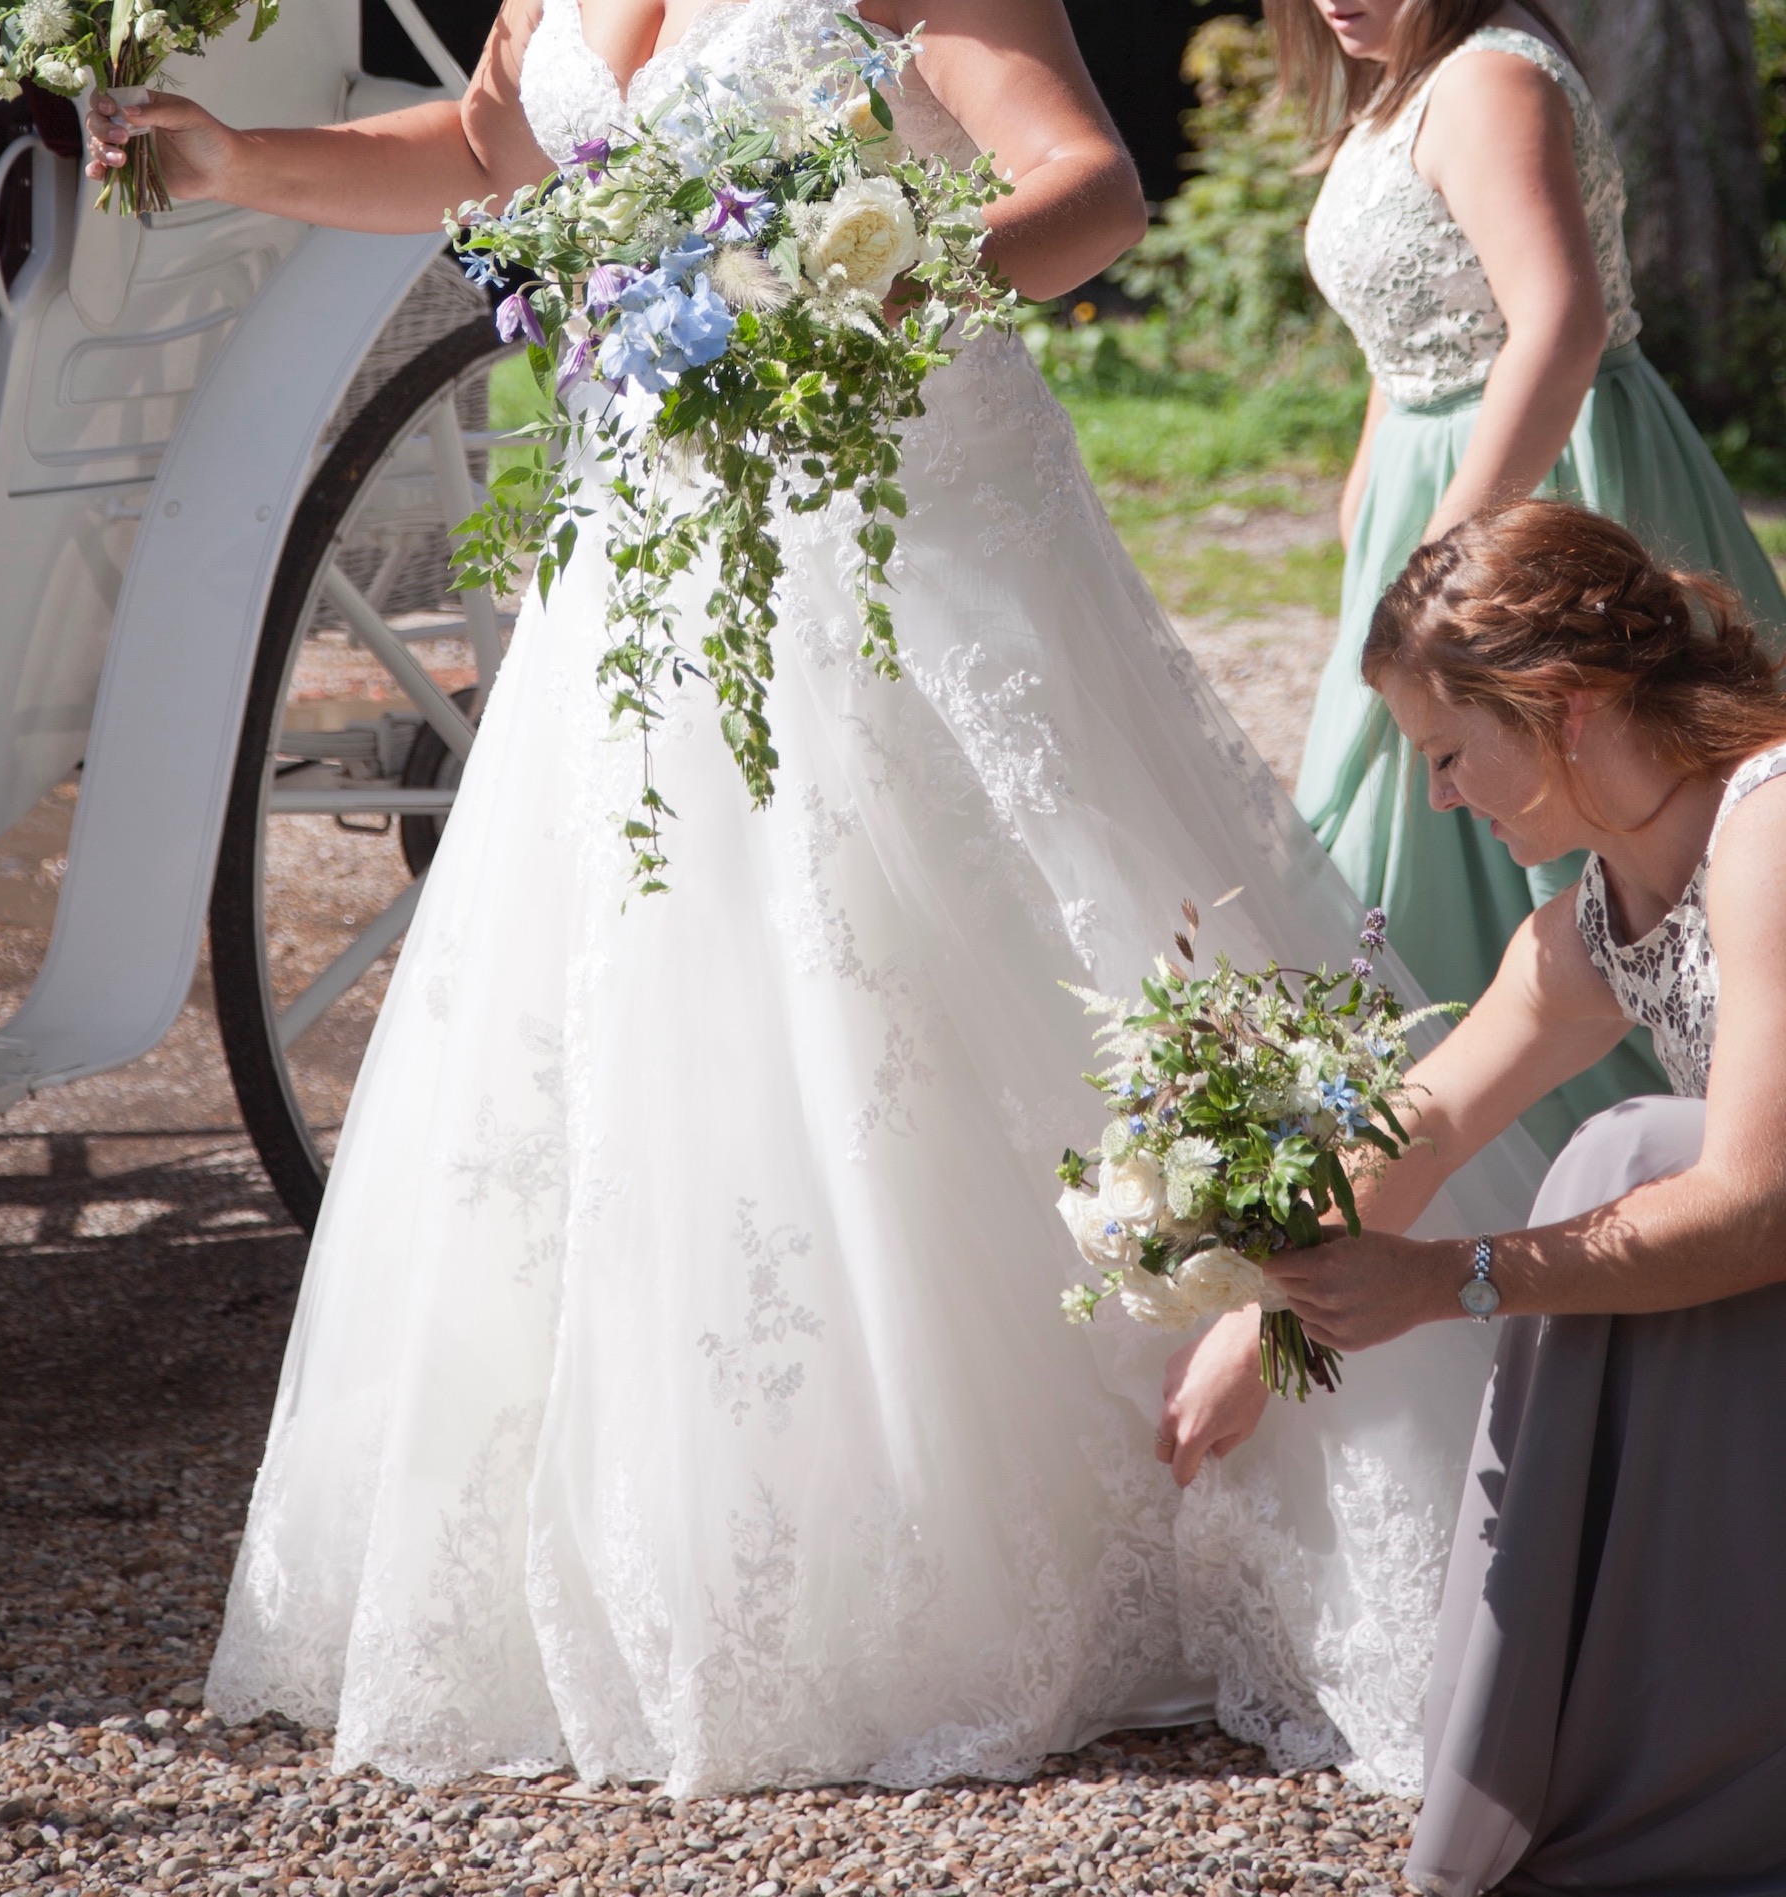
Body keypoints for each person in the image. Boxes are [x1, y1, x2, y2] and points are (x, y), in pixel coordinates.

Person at [90, 0, 1538, 1795]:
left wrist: (872, 294)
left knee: (951, 978)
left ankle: (1144, 1473)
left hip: (895, 532)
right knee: (646, 1023)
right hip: (646, 555)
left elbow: (1084, 189)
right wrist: (238, 161)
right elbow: (483, 153)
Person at [1259, 499, 1786, 1892]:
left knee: (1634, 1152)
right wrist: (1245, 1290)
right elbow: (1419, 1129)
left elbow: (1756, 1204)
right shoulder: (1593, 921)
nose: (1440, 797)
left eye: (1448, 752)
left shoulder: (1772, 832)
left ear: (1560, 704)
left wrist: (1449, 1281)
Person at [1271, 0, 1786, 1156]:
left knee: (1579, 828)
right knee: (1408, 847)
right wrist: (1366, 510)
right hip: (1426, 492)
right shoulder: (1399, 85)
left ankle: (1659, 1170)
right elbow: (1399, 344)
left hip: (1524, 492)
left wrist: (1441, 577)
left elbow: (1555, 323)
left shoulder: (1489, 79)